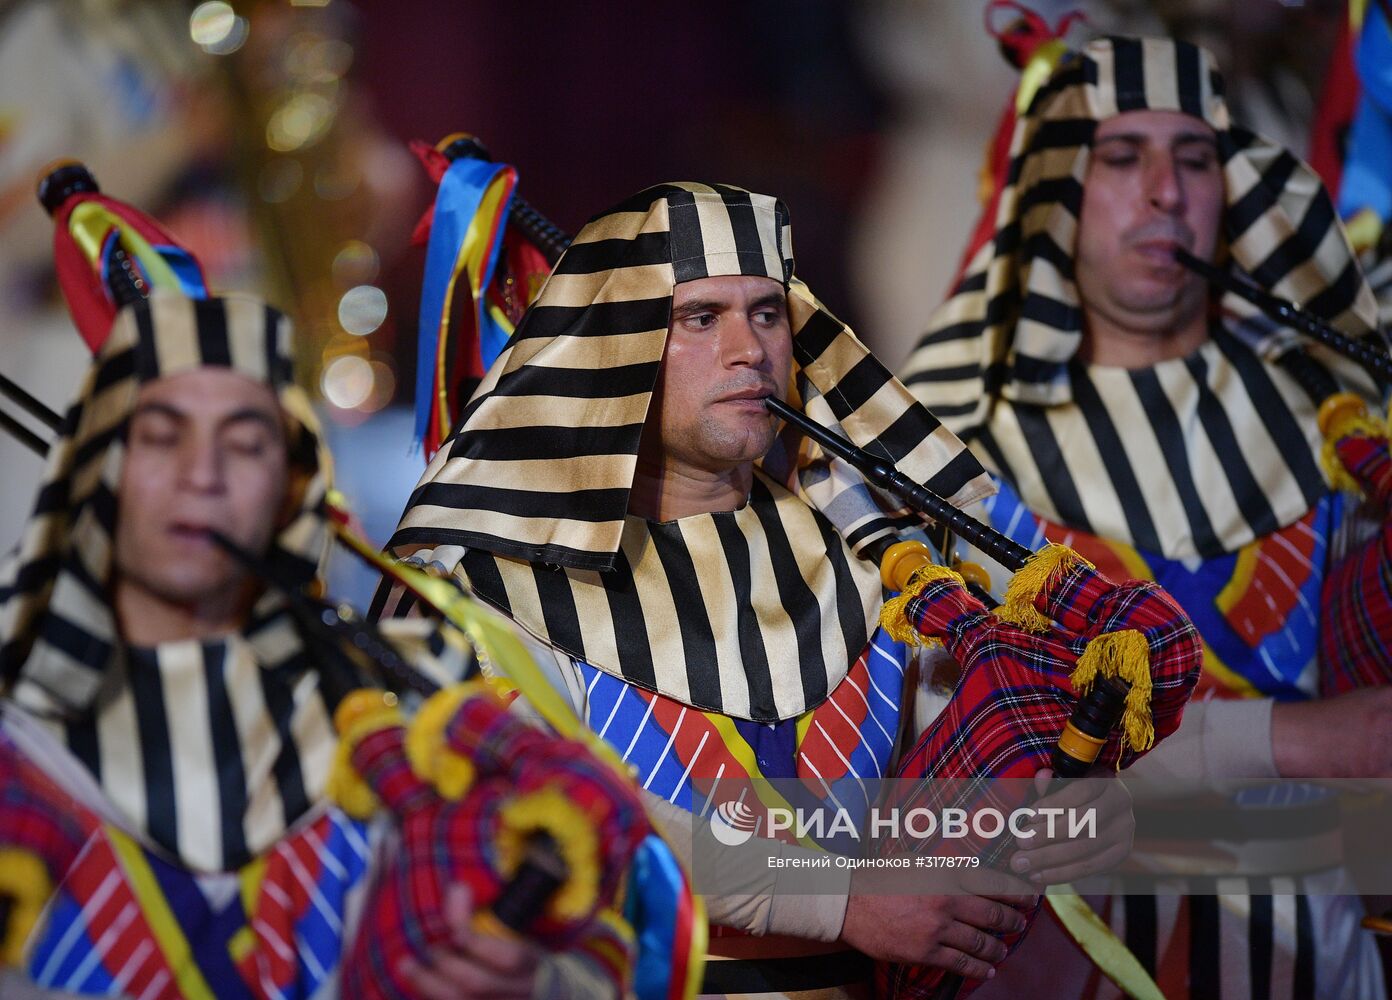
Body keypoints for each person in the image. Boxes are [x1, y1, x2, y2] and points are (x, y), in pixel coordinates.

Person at [377, 181, 1204, 998]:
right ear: (611, 342)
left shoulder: (879, 562)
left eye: (767, 313)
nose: (751, 348)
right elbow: (537, 814)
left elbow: (968, 798)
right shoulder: (482, 581)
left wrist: (1078, 818)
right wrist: (841, 899)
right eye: (700, 317)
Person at [900, 34, 1392, 999]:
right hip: (1068, 957)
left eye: (1197, 158)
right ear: (1054, 190)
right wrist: (1297, 741)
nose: (1167, 191)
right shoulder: (953, 448)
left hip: (1326, 955)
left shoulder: (1338, 426)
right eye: (1122, 158)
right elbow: (959, 763)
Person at [0, 290, 637, 999]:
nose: (202, 474)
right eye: (159, 436)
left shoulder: (420, 728)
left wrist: (539, 984)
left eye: (244, 443)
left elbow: (620, 942)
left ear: (290, 489)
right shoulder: (20, 748)